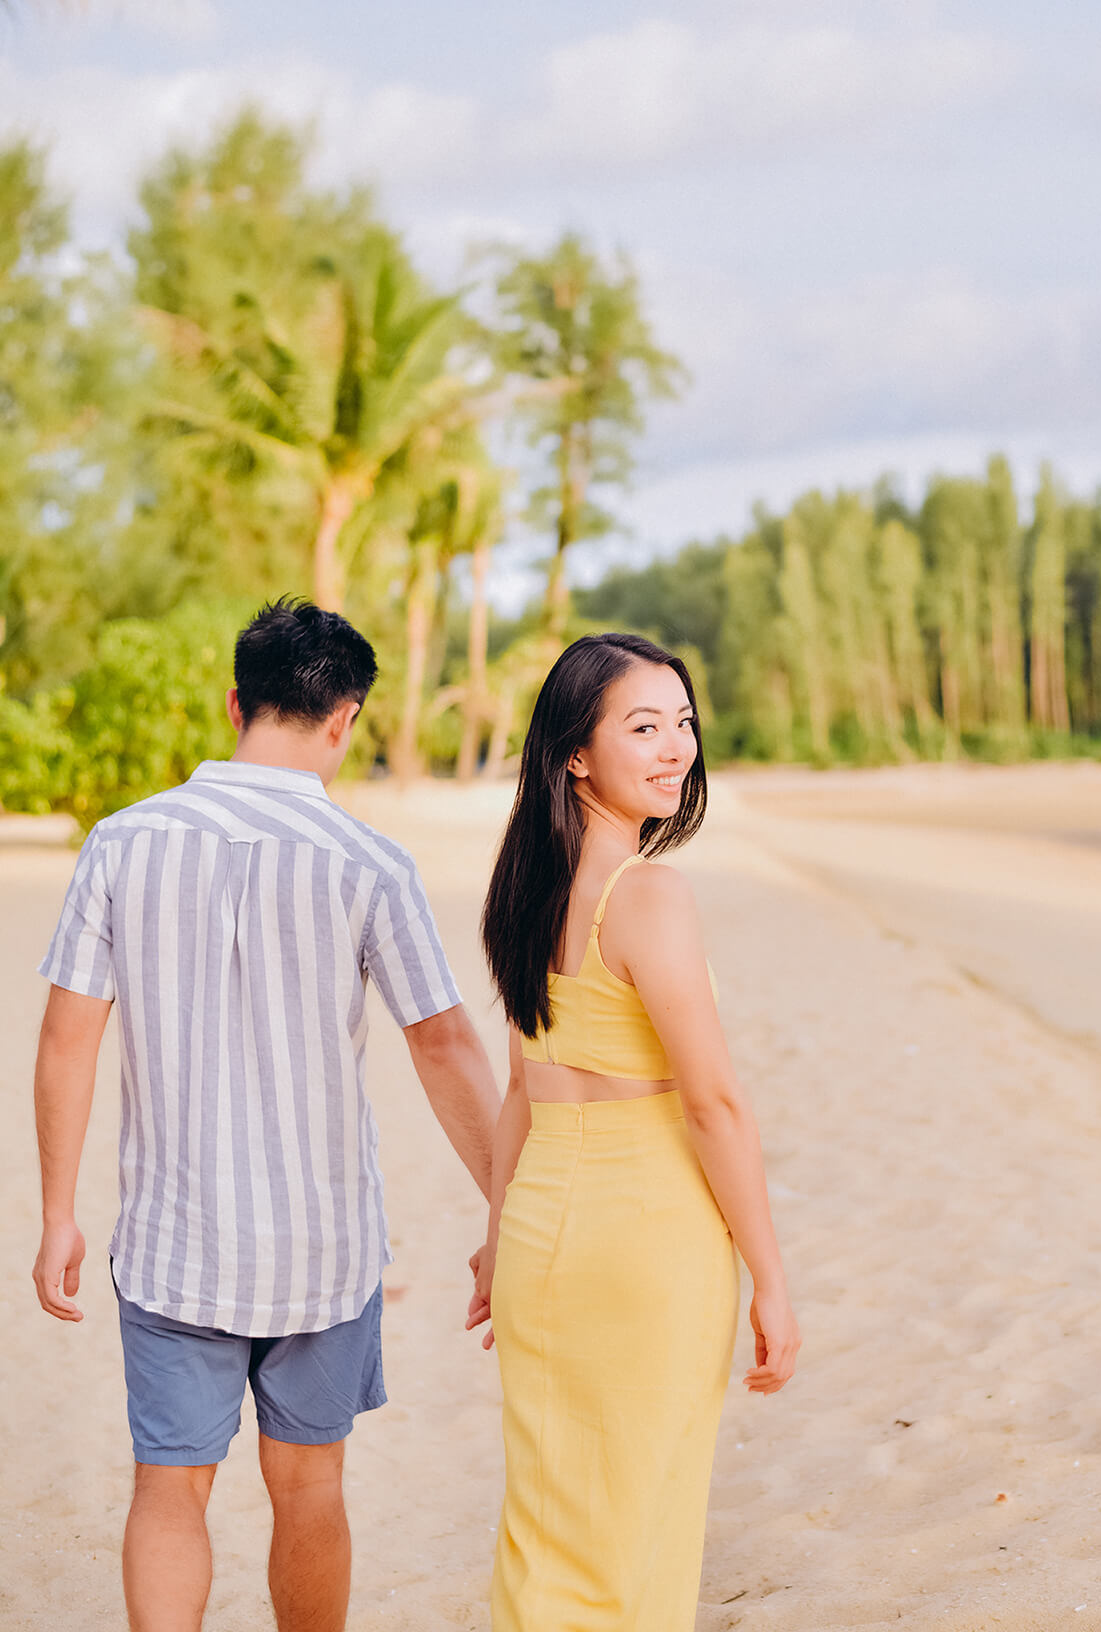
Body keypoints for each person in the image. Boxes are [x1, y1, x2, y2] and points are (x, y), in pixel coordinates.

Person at [32, 598, 501, 1632]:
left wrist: (59, 1210)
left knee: (168, 1486)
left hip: (170, 1240)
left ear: (235, 702)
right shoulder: (370, 861)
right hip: (320, 1246)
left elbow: (68, 1036)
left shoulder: (122, 841)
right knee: (311, 1487)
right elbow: (444, 1043)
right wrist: (510, 1203)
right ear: (345, 719)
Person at [468, 631, 800, 1630]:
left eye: (683, 722)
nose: (674, 748)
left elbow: (521, 1092)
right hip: (644, 1235)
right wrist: (771, 1275)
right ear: (576, 751)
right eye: (642, 726)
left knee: (549, 1517)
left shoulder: (526, 892)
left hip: (541, 1230)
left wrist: (495, 1235)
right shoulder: (646, 892)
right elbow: (713, 1104)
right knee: (636, 1518)